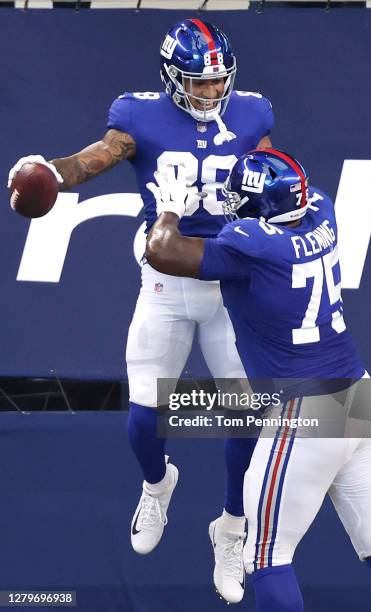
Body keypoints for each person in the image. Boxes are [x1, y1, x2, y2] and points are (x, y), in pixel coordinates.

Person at [8, 19, 274, 604]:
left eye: (217, 83)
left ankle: (231, 525)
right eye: (199, 84)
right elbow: (96, 158)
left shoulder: (252, 113)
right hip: (165, 281)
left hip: (230, 284)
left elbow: (266, 173)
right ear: (172, 79)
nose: (211, 94)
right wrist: (53, 173)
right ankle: (158, 484)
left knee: (243, 415)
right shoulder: (139, 115)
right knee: (143, 416)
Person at [144, 148, 371, 611]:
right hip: (359, 396)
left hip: (304, 409)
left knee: (266, 557)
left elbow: (163, 251)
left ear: (257, 212)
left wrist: (168, 209)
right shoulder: (321, 209)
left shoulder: (253, 243)